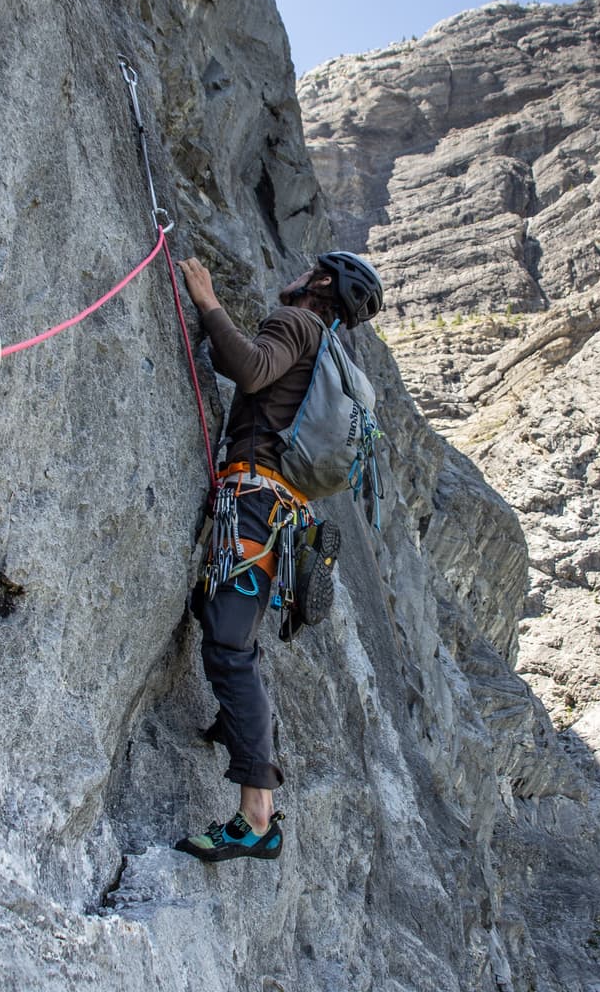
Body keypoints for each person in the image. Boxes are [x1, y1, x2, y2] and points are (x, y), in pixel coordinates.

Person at [172, 250, 384, 862]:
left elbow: (250, 367)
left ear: (320, 284)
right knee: (225, 625)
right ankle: (239, 723)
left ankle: (256, 816)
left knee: (229, 647)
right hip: (281, 513)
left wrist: (207, 299)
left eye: (310, 269)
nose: (296, 274)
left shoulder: (295, 324)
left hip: (255, 502)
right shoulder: (325, 351)